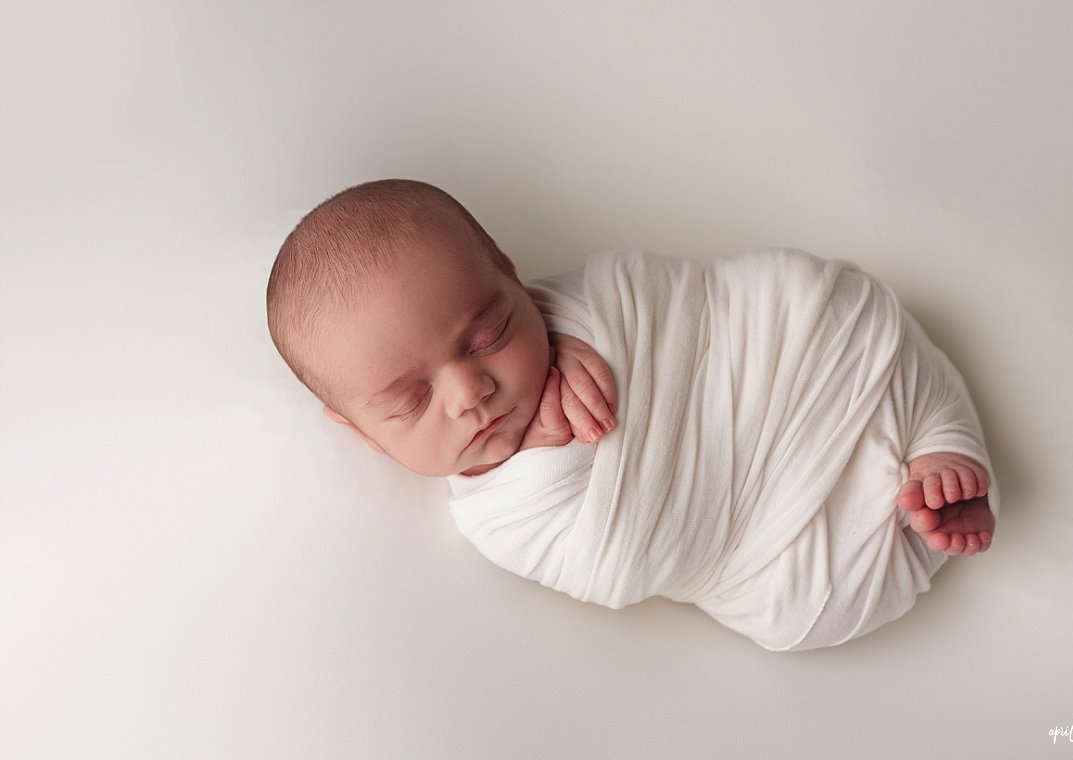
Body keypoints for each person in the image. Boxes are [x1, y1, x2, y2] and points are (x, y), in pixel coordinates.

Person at [266, 178, 997, 651]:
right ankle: (922, 512)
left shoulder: (573, 309)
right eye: (411, 400)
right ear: (360, 431)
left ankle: (938, 438)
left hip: (780, 355)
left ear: (513, 276)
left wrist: (586, 337)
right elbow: (619, 566)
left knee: (827, 303)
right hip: (758, 537)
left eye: (489, 335)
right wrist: (561, 455)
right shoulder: (499, 521)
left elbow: (668, 301)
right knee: (798, 613)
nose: (469, 392)